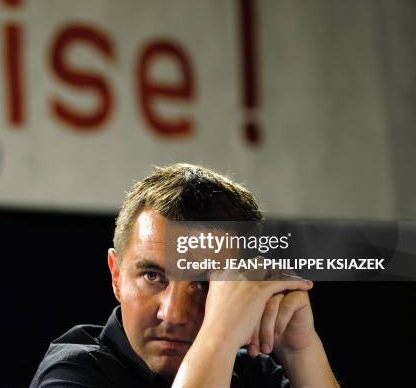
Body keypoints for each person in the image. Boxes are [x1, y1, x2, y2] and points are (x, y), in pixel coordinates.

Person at [30, 163, 339, 387]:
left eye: (203, 283)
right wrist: (219, 335)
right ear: (116, 276)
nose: (173, 314)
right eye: (153, 276)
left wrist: (300, 351)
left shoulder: (251, 375)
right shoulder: (72, 374)